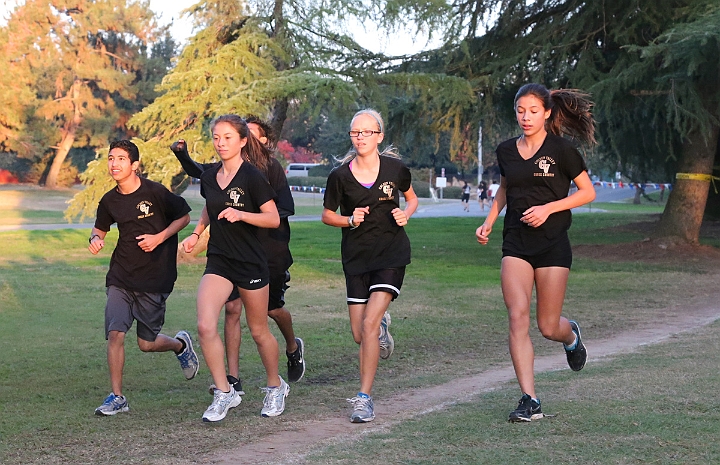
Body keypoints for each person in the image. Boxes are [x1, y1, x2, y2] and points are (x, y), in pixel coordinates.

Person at [475, 83, 596, 422]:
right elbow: (506, 189)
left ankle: (570, 335)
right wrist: (488, 221)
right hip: (515, 242)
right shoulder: (505, 150)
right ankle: (530, 399)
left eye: (532, 111)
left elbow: (587, 193)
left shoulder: (562, 150)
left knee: (547, 326)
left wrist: (549, 209)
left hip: (553, 243)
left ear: (546, 113)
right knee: (517, 317)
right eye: (520, 111)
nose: (525, 117)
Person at [171, 115, 305, 399]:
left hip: (254, 259)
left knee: (259, 330)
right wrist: (196, 234)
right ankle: (226, 389)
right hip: (220, 259)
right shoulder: (210, 176)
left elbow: (273, 218)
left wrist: (242, 214)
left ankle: (276, 384)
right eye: (217, 137)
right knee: (206, 324)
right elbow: (211, 203)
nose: (220, 143)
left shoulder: (256, 175)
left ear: (243, 141)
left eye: (228, 137)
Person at [88, 139, 199, 416]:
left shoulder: (155, 192)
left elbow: (184, 217)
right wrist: (95, 239)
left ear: (135, 165)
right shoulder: (109, 200)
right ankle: (117, 397)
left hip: (155, 277)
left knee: (146, 344)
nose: (114, 163)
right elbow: (100, 228)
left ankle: (180, 345)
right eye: (111, 158)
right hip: (121, 276)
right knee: (115, 334)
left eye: (121, 159)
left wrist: (159, 238)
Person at [322, 109, 418, 423]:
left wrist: (407, 213)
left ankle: (363, 398)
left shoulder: (396, 169)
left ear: (379, 136)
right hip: (356, 258)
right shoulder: (339, 176)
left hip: (391, 254)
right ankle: (381, 328)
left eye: (367, 132)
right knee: (359, 334)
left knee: (368, 325)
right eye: (355, 133)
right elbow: (327, 216)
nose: (361, 137)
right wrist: (348, 219)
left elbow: (412, 199)